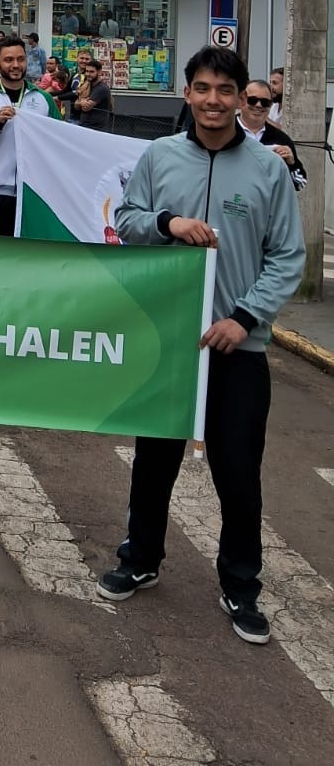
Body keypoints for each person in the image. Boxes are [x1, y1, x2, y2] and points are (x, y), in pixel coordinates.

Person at [99, 46, 305, 646]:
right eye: (203, 88)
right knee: (154, 459)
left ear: (242, 99)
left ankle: (240, 584)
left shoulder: (267, 170)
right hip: (170, 340)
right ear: (187, 93)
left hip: (238, 349)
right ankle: (141, 558)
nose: (213, 100)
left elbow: (287, 256)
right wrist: (168, 223)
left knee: (238, 471)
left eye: (226, 90)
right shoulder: (160, 156)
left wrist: (244, 318)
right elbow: (128, 221)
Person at [0, 34, 62, 236]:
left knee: (31, 252)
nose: (16, 65)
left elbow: (60, 142)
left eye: (20, 59)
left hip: (35, 193)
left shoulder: (43, 99)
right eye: (8, 60)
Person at [239, 78, 306, 192]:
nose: (258, 105)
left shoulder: (281, 139)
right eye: (252, 100)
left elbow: (300, 184)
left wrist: (291, 164)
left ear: (270, 105)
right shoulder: (224, 132)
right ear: (241, 100)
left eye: (265, 102)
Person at [73, 54, 112, 131]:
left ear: (99, 72)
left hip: (96, 129)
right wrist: (82, 102)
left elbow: (86, 108)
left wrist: (80, 102)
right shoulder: (87, 85)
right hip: (85, 127)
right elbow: (75, 105)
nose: (88, 74)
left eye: (91, 72)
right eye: (87, 71)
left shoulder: (101, 88)